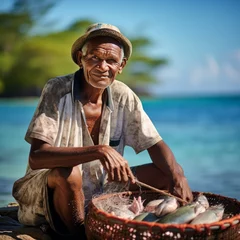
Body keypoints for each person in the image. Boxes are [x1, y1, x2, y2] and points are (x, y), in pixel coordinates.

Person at [12, 23, 193, 239]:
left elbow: (155, 145)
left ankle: (146, 221)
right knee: (69, 174)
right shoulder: (57, 89)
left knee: (169, 172)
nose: (102, 66)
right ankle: (81, 233)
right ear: (81, 58)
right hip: (48, 192)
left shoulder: (123, 95)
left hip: (102, 188)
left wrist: (178, 176)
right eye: (94, 58)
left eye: (111, 61)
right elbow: (37, 158)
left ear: (121, 65)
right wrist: (100, 150)